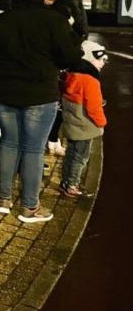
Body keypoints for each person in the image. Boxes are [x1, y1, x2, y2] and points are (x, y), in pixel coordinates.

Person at [0, 0, 82, 223]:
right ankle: (29, 206)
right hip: (39, 94)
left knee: (9, 144)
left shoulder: (3, 20)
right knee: (33, 150)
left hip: (5, 93)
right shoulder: (52, 20)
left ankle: (4, 199)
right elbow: (70, 56)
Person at [60, 40, 107, 198]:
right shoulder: (91, 81)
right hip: (85, 127)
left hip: (73, 124)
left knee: (71, 154)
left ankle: (65, 181)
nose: (102, 63)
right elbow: (94, 108)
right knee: (80, 157)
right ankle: (72, 185)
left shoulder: (71, 75)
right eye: (100, 59)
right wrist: (102, 122)